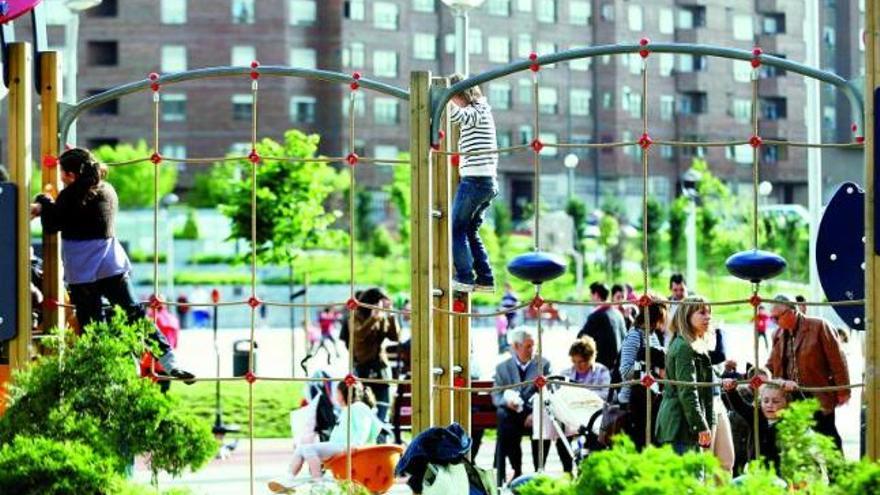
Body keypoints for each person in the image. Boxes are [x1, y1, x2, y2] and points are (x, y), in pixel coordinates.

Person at [30, 148, 194, 384]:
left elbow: (52, 224)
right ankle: (169, 361)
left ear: (71, 175)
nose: (61, 178)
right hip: (111, 264)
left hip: (82, 271)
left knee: (93, 324)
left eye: (62, 173)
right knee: (134, 313)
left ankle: (109, 373)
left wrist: (44, 201)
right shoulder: (108, 191)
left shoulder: (71, 196)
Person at [766, 294, 850, 450]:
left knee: (828, 441)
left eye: (777, 318)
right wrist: (756, 375)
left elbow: (837, 360)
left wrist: (843, 391)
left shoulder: (819, 326)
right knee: (797, 447)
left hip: (817, 396)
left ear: (791, 311)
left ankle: (838, 474)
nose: (774, 322)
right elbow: (770, 365)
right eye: (772, 319)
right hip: (789, 399)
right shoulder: (777, 334)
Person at [268, 380, 382, 492]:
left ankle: (318, 485)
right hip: (339, 446)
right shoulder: (346, 410)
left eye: (337, 393)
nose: (335, 396)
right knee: (301, 448)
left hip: (349, 446)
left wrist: (357, 445)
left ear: (344, 393)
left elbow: (364, 427)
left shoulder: (359, 407)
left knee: (309, 449)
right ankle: (288, 479)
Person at [447, 73, 499, 294]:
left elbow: (458, 117)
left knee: (456, 228)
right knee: (470, 230)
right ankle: (485, 278)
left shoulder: (477, 110)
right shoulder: (482, 110)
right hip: (485, 182)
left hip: (475, 182)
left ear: (461, 94)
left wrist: (442, 99)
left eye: (455, 96)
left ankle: (465, 277)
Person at [491, 328, 551, 486]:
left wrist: (536, 412)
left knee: (543, 421)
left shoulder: (543, 364)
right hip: (512, 414)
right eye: (528, 346)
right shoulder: (502, 368)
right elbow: (496, 395)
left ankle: (539, 469)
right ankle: (515, 469)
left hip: (534, 412)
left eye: (534, 346)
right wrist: (507, 402)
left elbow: (549, 393)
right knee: (504, 420)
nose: (532, 350)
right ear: (516, 347)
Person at [655, 296, 714, 454]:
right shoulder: (684, 347)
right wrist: (700, 426)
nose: (708, 317)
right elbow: (687, 390)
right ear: (687, 316)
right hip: (679, 427)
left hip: (684, 427)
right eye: (702, 313)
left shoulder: (692, 344)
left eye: (709, 312)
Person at [618, 295, 667, 450]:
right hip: (632, 402)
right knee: (638, 446)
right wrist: (643, 364)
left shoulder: (652, 335)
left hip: (650, 398)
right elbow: (625, 371)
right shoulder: (634, 336)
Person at [722, 377, 795, 474]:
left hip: (778, 472)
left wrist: (795, 390)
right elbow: (740, 406)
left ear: (787, 404)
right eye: (766, 401)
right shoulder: (756, 416)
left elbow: (804, 407)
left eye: (775, 401)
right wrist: (731, 390)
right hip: (755, 469)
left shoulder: (788, 421)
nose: (770, 405)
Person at [351, 287, 400, 422]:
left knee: (384, 402)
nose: (381, 306)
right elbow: (358, 335)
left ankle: (380, 432)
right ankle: (367, 430)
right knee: (361, 402)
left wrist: (391, 315)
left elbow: (395, 337)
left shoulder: (382, 316)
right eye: (379, 303)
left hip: (380, 365)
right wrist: (372, 319)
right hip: (363, 365)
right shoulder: (356, 315)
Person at [577, 282, 627, 369]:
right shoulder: (618, 314)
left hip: (601, 366)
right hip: (618, 365)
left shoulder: (596, 315)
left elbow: (581, 337)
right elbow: (625, 337)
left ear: (596, 295)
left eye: (591, 296)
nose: (590, 299)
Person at [665, 273, 689, 347]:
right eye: (675, 290)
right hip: (669, 342)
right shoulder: (666, 303)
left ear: (686, 288)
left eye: (682, 290)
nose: (679, 293)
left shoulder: (693, 303)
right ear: (670, 289)